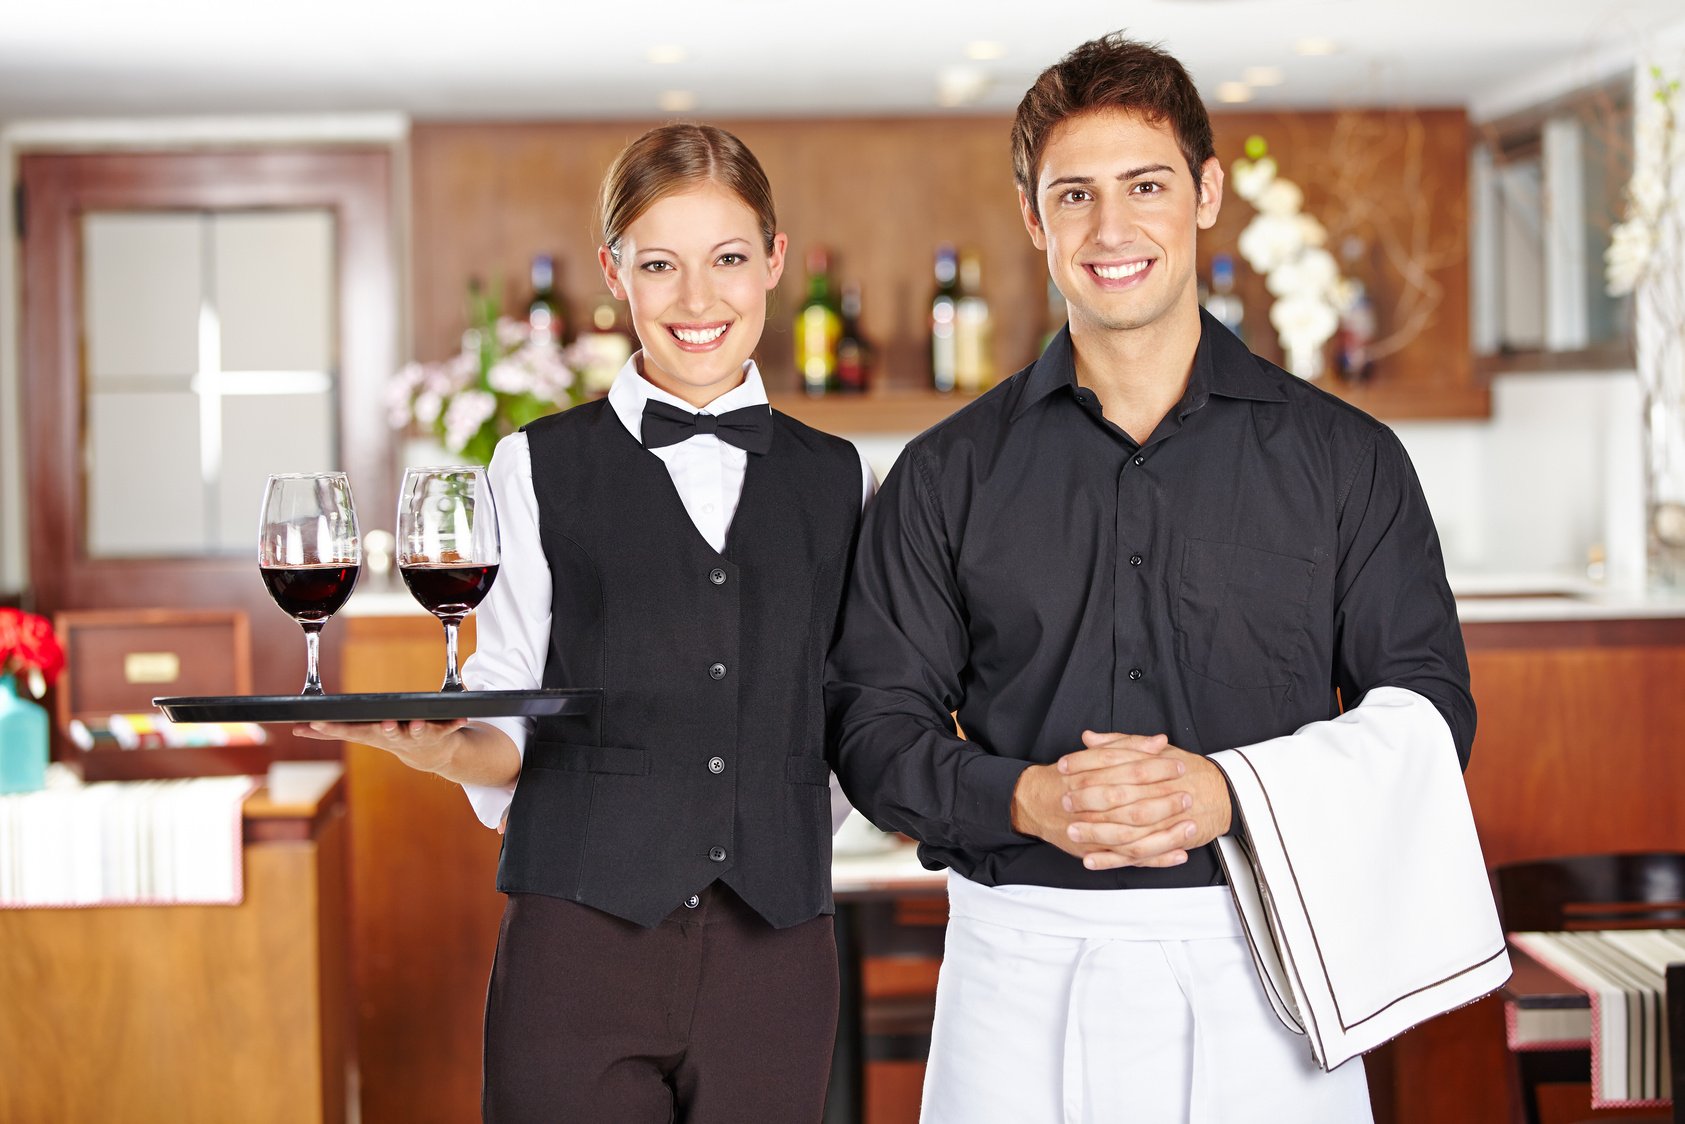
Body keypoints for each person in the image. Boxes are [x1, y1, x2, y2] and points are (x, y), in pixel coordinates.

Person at [825, 33, 1476, 1124]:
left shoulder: (1346, 461)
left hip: (1269, 956)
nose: (1110, 228)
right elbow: (869, 723)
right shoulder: (941, 474)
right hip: (1012, 966)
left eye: (1144, 185)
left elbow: (1426, 710)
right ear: (1033, 220)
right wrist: (1028, 796)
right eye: (1072, 194)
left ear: (1205, 193)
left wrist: (1224, 791)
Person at [302, 123, 873, 1123]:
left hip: (776, 955)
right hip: (579, 948)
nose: (698, 300)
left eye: (727, 259)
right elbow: (508, 699)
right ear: (614, 274)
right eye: (660, 264)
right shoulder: (533, 464)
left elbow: (847, 711)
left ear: (774, 262)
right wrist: (445, 752)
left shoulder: (842, 479)